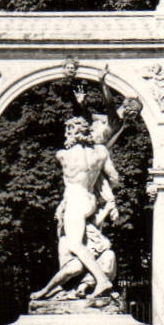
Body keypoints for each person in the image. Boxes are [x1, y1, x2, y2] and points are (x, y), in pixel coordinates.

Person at [31, 112, 123, 302]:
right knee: (78, 245)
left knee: (73, 244)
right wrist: (102, 187)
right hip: (89, 201)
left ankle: (101, 280)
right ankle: (74, 286)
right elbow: (114, 179)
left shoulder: (63, 155)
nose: (66, 134)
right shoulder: (100, 154)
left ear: (73, 132)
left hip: (74, 200)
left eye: (68, 130)